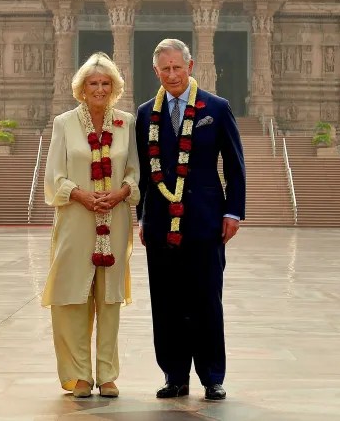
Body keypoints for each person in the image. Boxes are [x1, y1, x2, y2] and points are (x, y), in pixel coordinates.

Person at [135, 38, 246, 402]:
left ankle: (212, 376)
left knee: (206, 299)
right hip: (160, 222)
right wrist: (141, 216)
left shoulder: (216, 107)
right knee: (166, 301)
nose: (171, 74)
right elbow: (140, 173)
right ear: (156, 72)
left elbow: (234, 165)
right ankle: (174, 375)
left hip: (205, 220)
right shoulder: (143, 114)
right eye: (164, 69)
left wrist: (233, 211)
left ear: (191, 66)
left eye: (177, 67)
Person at [42, 52, 141, 398]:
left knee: (109, 298)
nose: (99, 89)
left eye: (105, 83)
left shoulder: (126, 123)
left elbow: (133, 170)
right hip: (75, 219)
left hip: (114, 220)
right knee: (72, 296)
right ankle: (79, 376)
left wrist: (122, 193)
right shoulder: (64, 123)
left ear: (114, 88)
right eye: (92, 83)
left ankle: (108, 374)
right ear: (81, 89)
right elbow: (54, 177)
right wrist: (81, 195)